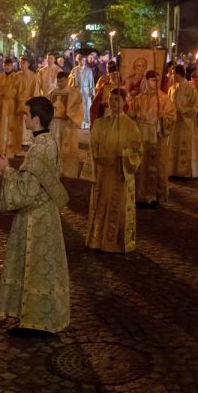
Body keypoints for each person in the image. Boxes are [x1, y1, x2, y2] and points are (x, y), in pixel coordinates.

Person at [0, 96, 71, 336]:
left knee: (36, 267)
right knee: (39, 267)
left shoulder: (39, 150)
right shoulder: (45, 143)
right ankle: (34, 319)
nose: (23, 118)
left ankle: (38, 322)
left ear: (35, 119)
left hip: (36, 220)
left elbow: (26, 193)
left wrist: (6, 171)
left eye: (25, 114)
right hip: (44, 216)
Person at [86, 89, 142, 252]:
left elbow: (137, 150)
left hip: (120, 172)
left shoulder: (131, 126)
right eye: (111, 99)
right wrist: (96, 155)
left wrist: (125, 155)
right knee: (100, 206)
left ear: (124, 102)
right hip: (103, 172)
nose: (113, 103)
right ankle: (97, 239)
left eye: (117, 100)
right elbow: (92, 145)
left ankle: (115, 242)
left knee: (117, 208)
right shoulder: (100, 123)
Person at [129, 69, 175, 207]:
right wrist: (130, 105)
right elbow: (131, 116)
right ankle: (139, 195)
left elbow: (172, 117)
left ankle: (153, 196)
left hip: (156, 136)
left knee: (154, 167)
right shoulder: (139, 98)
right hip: (141, 135)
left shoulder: (164, 99)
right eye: (153, 80)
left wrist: (163, 117)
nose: (155, 83)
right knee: (141, 166)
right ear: (147, 81)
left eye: (157, 80)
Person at [167, 64, 198, 179]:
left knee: (185, 145)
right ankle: (172, 170)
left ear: (178, 74)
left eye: (174, 73)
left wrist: (183, 110)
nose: (172, 76)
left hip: (186, 121)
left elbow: (196, 106)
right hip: (174, 122)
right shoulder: (171, 89)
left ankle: (185, 172)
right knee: (173, 145)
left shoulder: (191, 88)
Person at [0, 57, 20, 157]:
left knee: (11, 127)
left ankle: (10, 150)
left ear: (12, 66)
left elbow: (20, 93)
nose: (7, 67)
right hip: (0, 105)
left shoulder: (17, 78)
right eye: (5, 65)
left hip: (12, 106)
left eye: (9, 65)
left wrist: (20, 107)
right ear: (3, 66)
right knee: (0, 128)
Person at [69, 54, 95, 129]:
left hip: (86, 91)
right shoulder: (74, 70)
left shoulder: (89, 70)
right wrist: (72, 77)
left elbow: (91, 81)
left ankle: (87, 122)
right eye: (81, 60)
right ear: (78, 61)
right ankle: (79, 121)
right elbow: (70, 81)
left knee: (87, 106)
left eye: (84, 60)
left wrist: (91, 92)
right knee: (78, 106)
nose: (83, 62)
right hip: (77, 90)